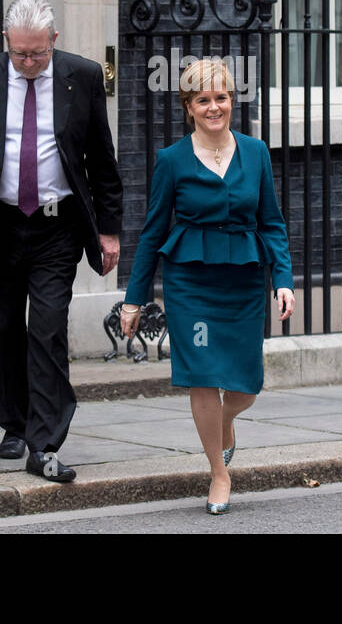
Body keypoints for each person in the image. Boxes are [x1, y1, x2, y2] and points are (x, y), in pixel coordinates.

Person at [0, 0, 123, 482]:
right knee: (3, 331)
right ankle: (13, 422)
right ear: (6, 44)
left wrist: (108, 231)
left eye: (37, 53)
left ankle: (44, 444)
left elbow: (103, 161)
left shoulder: (81, 77)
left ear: (53, 42)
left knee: (47, 330)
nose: (29, 63)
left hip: (56, 228)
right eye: (20, 54)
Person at [121, 57, 295, 514]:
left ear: (231, 100)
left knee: (245, 386)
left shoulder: (255, 152)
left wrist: (283, 281)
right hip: (190, 284)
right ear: (189, 106)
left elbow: (272, 223)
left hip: (241, 278)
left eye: (221, 97)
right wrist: (133, 299)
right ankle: (219, 474)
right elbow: (153, 233)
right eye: (204, 100)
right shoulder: (172, 161)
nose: (214, 107)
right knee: (201, 376)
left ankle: (226, 423)